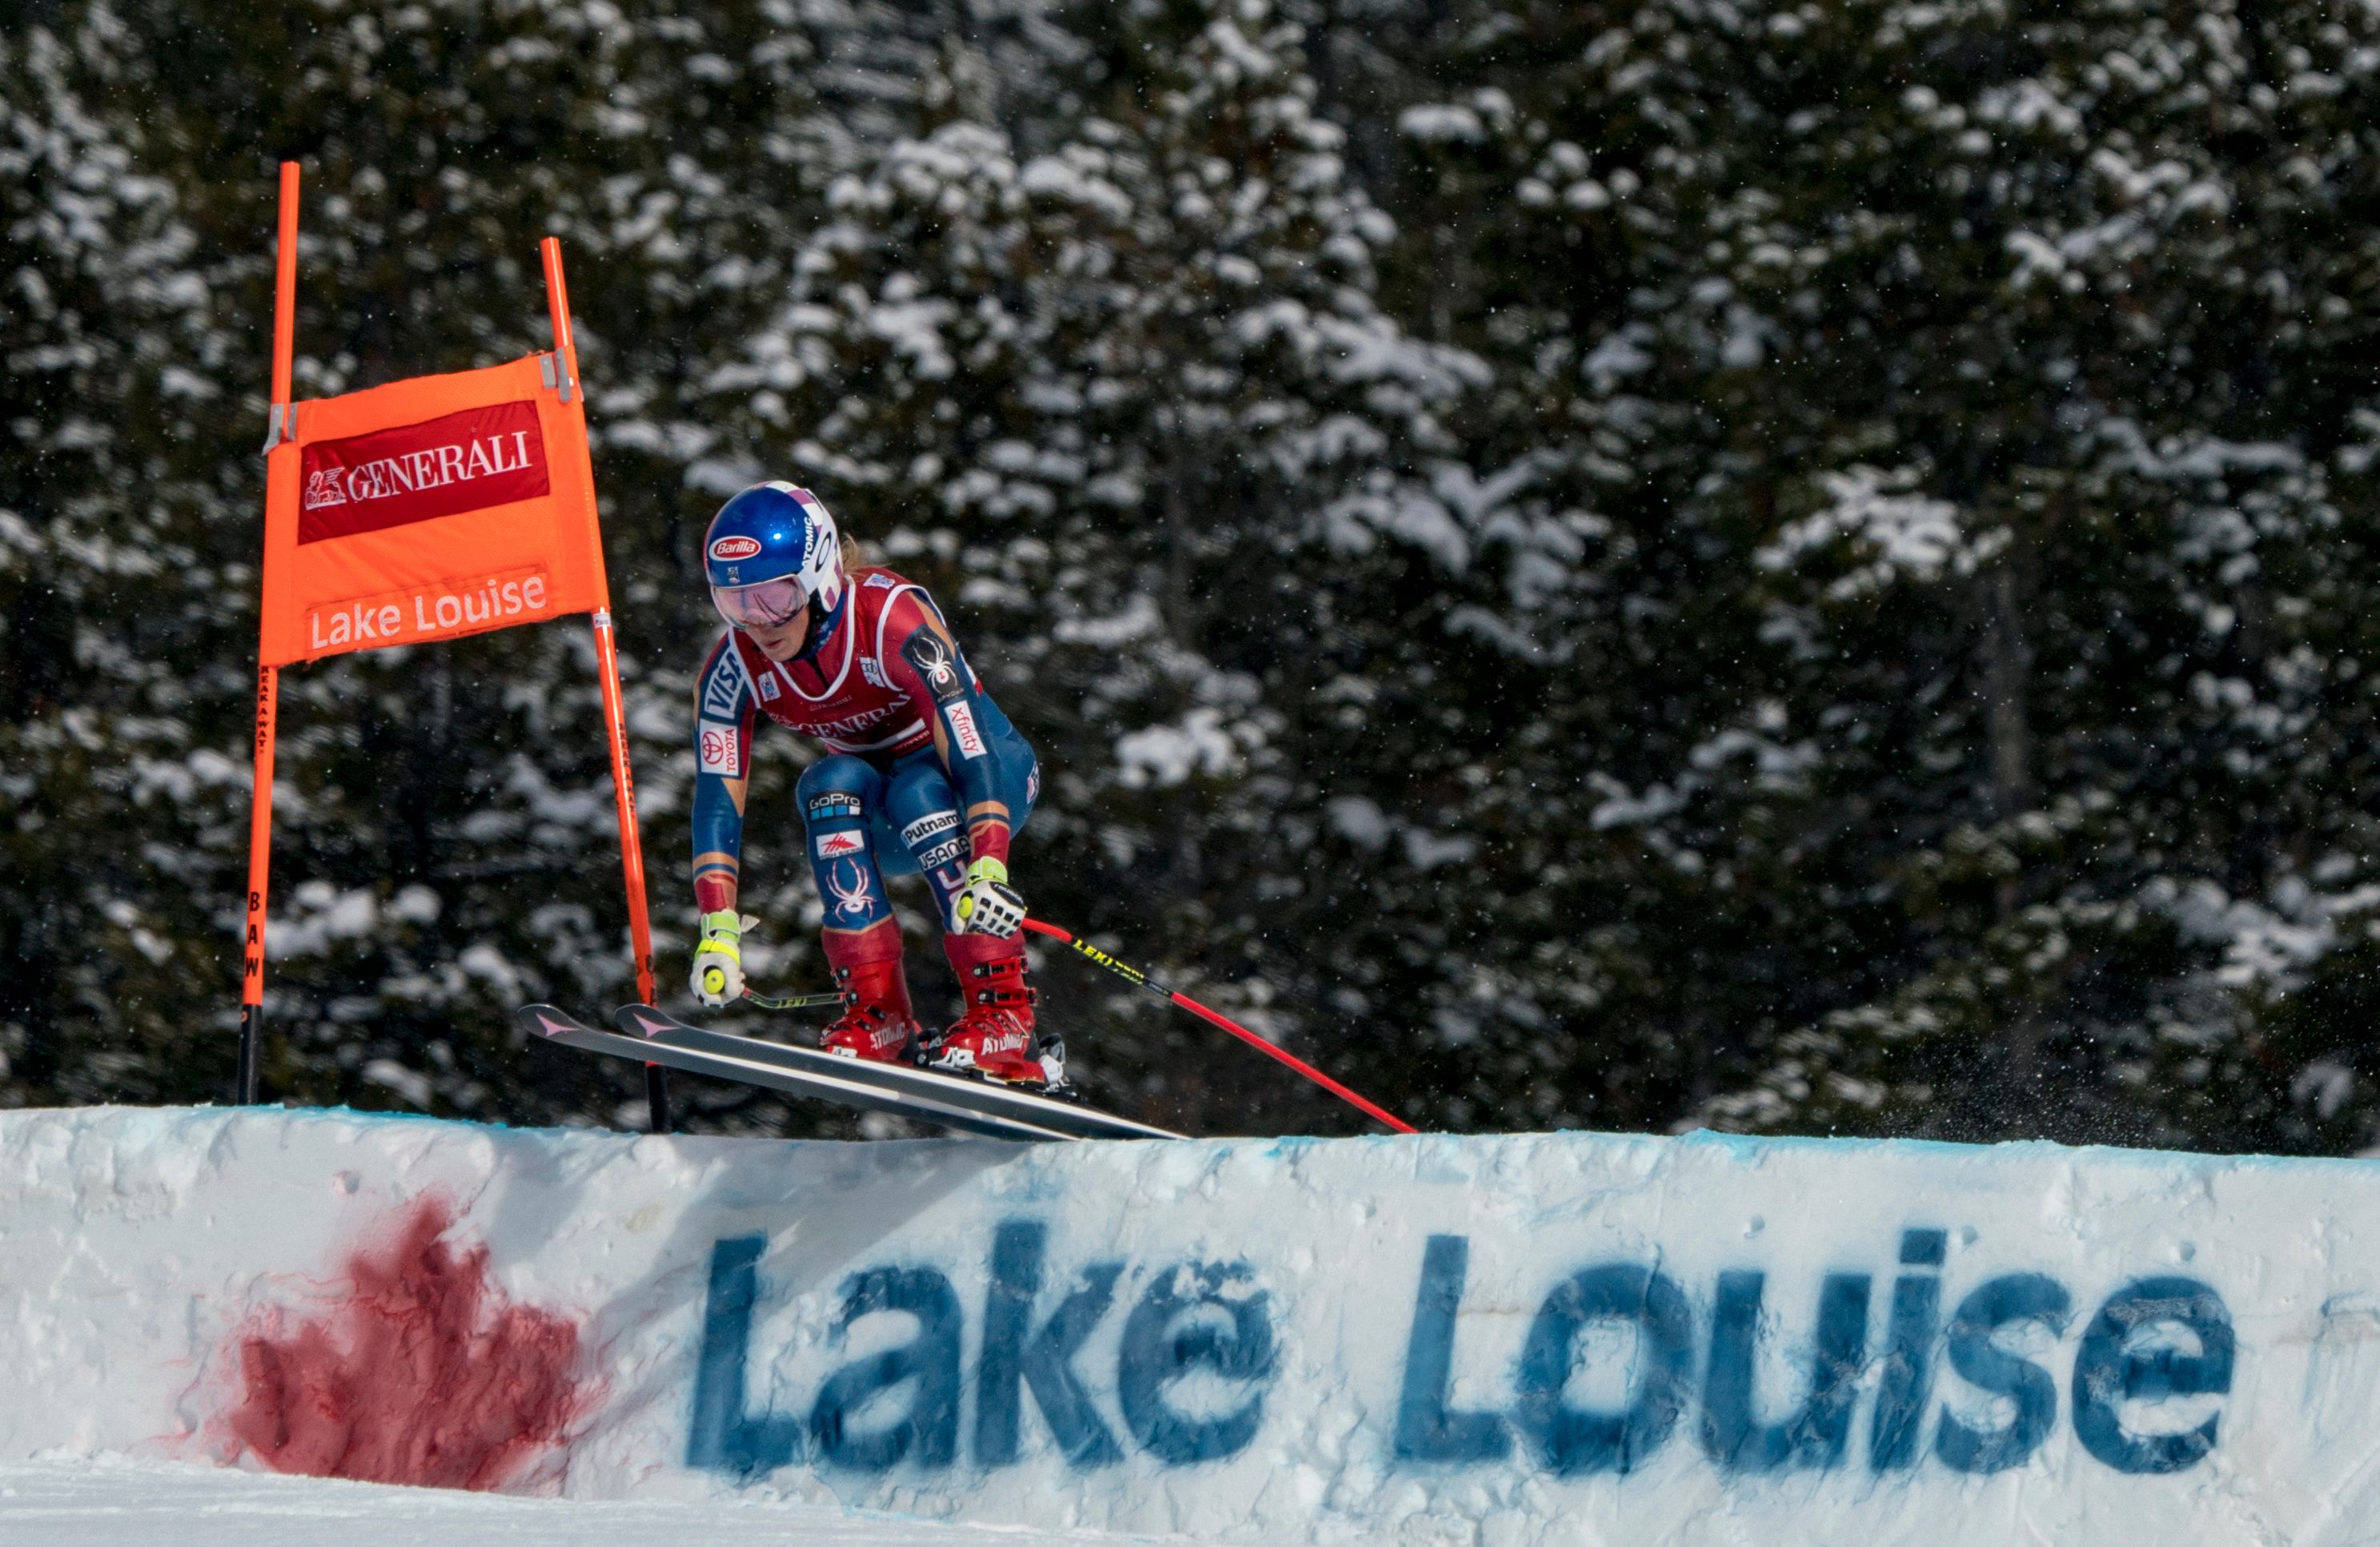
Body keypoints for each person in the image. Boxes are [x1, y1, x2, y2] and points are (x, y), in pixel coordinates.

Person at [684, 481, 1058, 1088]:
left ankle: (1004, 1015)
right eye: (735, 602)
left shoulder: (892, 619)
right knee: (828, 782)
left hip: (987, 780)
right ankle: (880, 1013)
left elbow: (970, 749)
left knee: (918, 790)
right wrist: (717, 929)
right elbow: (716, 801)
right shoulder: (733, 667)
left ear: (818, 577)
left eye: (775, 596)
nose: (758, 622)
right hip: (890, 810)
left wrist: (989, 865)